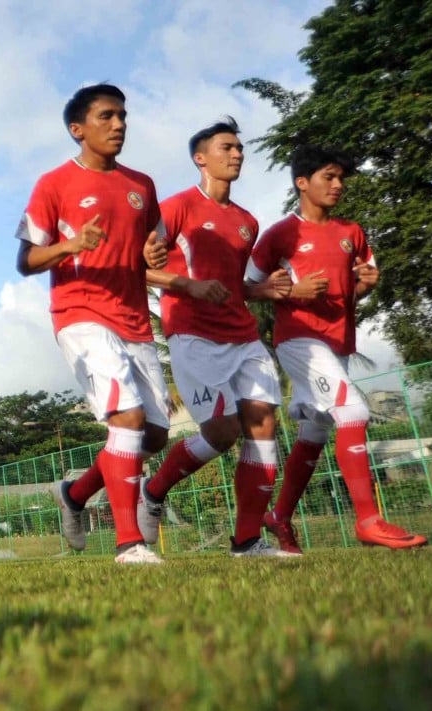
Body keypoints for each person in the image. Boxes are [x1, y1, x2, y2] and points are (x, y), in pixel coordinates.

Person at [17, 84, 171, 564]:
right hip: (80, 314)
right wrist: (70, 246)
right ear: (77, 129)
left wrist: (155, 256)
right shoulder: (53, 183)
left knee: (154, 436)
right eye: (107, 116)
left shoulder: (142, 185)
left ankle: (76, 494)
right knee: (127, 416)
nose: (119, 124)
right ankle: (129, 543)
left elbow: (153, 248)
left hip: (134, 320)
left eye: (123, 115)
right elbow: (26, 260)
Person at [247, 144, 426, 552]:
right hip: (298, 340)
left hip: (338, 342)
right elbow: (246, 288)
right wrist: (291, 290)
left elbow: (353, 290)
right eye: (329, 176)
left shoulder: (353, 233)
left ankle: (279, 516)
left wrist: (364, 285)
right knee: (354, 410)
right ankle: (368, 520)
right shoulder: (280, 234)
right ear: (302, 182)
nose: (338, 184)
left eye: (341, 177)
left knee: (315, 430)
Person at [135, 117, 299, 557]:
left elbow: (229, 281)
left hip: (243, 335)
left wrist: (261, 290)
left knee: (264, 427)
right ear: (200, 157)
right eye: (227, 147)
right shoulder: (176, 207)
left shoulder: (248, 221)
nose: (237, 154)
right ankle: (153, 490)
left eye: (240, 149)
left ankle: (246, 541)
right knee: (223, 431)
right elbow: (138, 267)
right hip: (192, 335)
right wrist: (187, 286)